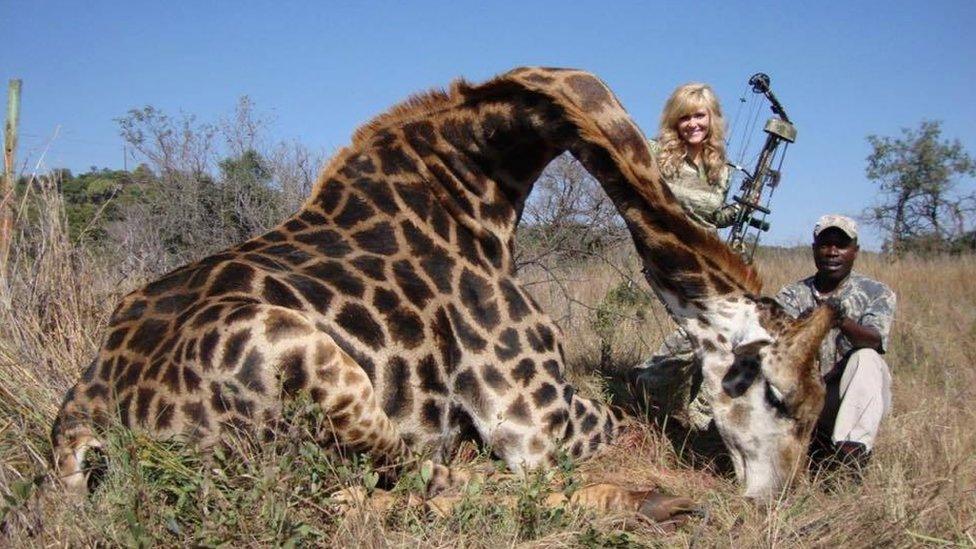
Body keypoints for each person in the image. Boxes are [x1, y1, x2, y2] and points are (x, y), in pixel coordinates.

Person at [633, 83, 742, 432]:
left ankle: (657, 389)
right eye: (685, 117)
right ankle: (676, 402)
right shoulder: (656, 152)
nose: (693, 124)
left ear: (712, 119)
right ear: (673, 121)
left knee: (720, 330)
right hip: (665, 256)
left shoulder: (719, 167)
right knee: (702, 328)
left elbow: (714, 217)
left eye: (700, 115)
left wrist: (740, 209)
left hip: (705, 261)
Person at [775, 215, 896, 476]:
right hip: (800, 397)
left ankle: (850, 459)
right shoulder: (790, 295)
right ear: (814, 248)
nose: (832, 252)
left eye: (841, 245)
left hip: (843, 397)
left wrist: (838, 318)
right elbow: (778, 348)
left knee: (867, 358)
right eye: (825, 244)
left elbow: (874, 340)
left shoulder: (876, 292)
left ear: (855, 251)